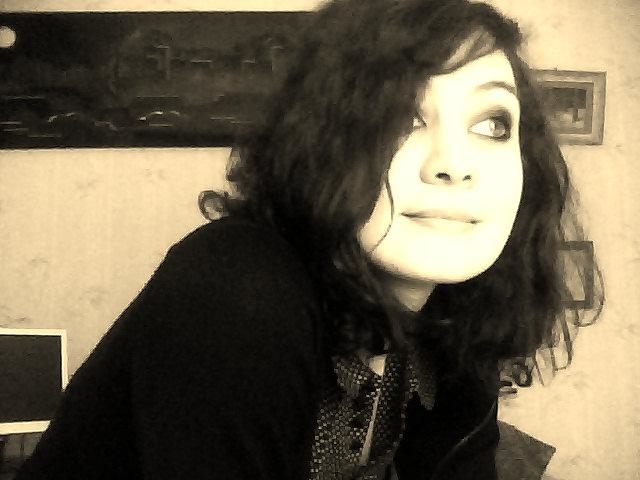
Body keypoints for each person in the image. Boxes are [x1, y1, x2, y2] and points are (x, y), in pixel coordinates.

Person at [15, 0, 602, 479]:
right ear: (321, 145)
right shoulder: (236, 286)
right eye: (401, 118)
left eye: (493, 124)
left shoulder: (458, 316)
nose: (455, 164)